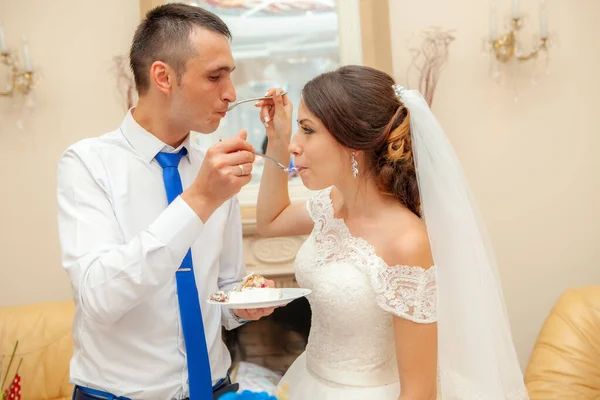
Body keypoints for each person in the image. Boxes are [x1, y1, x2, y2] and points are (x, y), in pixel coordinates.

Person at [255, 67, 529, 399]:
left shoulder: (407, 243)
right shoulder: (331, 203)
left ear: (353, 141)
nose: (296, 145)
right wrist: (278, 139)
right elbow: (270, 221)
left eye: (307, 130)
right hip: (311, 382)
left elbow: (420, 392)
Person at [57, 4, 275, 400]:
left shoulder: (213, 165)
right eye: (215, 76)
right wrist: (198, 200)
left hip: (216, 387)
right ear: (162, 76)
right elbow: (100, 299)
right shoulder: (87, 164)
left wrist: (244, 303)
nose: (230, 93)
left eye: (231, 76)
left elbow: (223, 290)